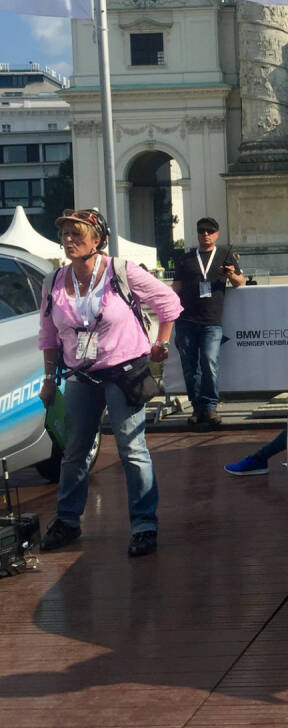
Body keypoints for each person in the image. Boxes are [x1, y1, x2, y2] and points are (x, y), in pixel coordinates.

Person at [37, 209, 182, 557]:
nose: (68, 240)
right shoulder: (53, 281)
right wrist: (49, 378)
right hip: (81, 375)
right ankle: (68, 521)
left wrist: (160, 344)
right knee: (74, 451)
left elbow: (169, 303)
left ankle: (144, 525)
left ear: (98, 239)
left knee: (132, 449)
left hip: (124, 372)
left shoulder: (121, 271)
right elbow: (48, 334)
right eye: (65, 234)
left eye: (77, 234)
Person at [172, 217, 243, 427]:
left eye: (210, 231)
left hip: (212, 320)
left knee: (209, 363)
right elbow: (176, 287)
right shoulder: (186, 258)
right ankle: (197, 408)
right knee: (190, 367)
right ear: (197, 233)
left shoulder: (225, 255)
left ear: (217, 234)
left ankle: (210, 407)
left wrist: (231, 275)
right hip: (185, 319)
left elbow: (239, 282)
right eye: (201, 230)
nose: (205, 234)